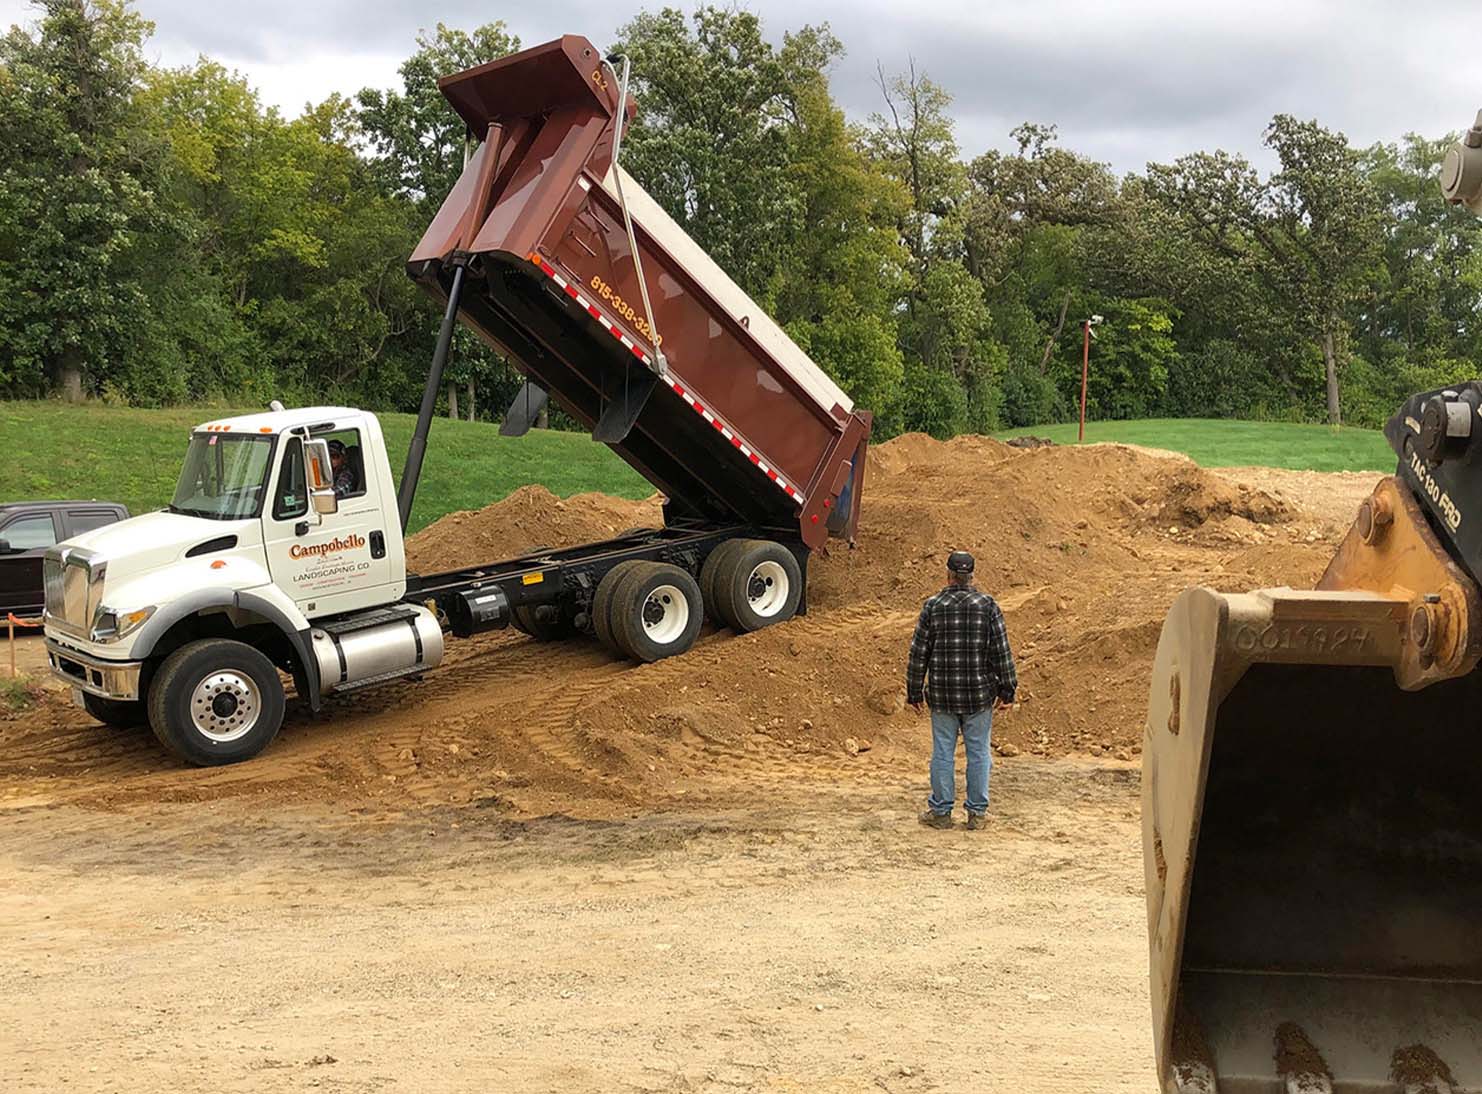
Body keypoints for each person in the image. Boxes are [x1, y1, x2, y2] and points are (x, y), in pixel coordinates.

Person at [906, 549, 1017, 831]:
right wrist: (1008, 689)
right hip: (979, 694)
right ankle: (977, 815)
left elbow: (919, 653)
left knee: (943, 752)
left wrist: (914, 690)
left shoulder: (933, 606)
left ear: (948, 575)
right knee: (979, 752)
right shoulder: (987, 605)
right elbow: (1001, 651)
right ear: (971, 576)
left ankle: (941, 813)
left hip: (942, 694)